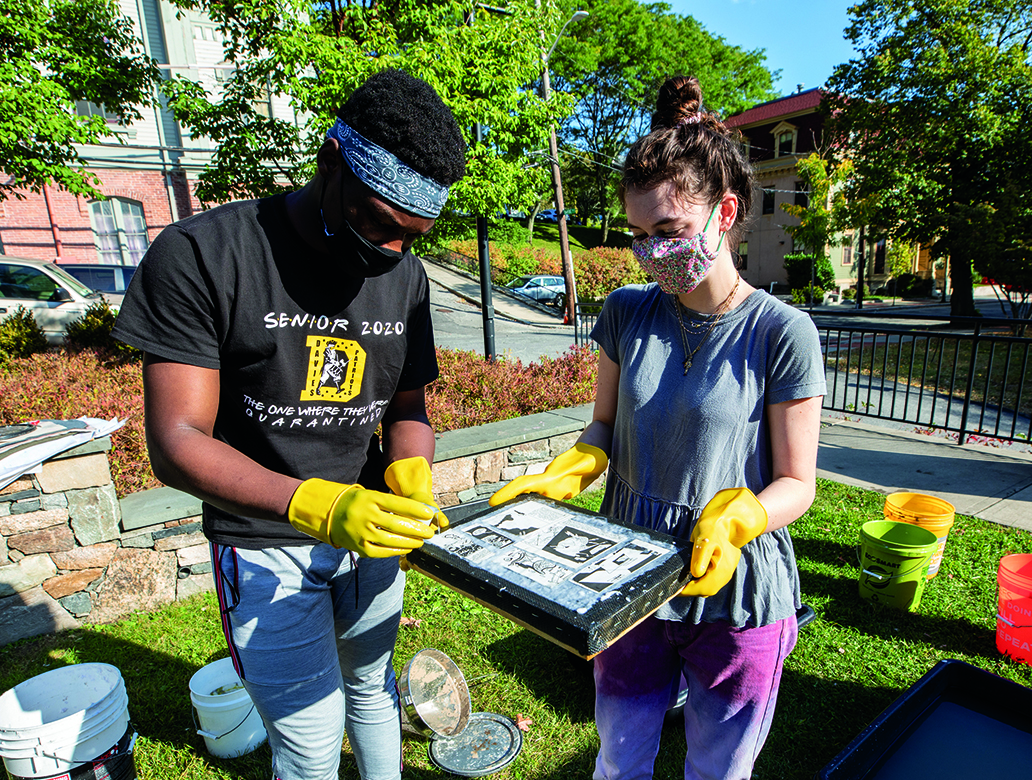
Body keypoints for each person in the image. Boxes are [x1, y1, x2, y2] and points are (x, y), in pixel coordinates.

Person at [112, 68, 467, 780]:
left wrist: (412, 470)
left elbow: (406, 409)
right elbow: (177, 443)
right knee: (308, 742)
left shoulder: (408, 277)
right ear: (329, 160)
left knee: (372, 692)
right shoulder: (203, 256)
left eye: (413, 237)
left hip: (372, 528)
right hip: (264, 539)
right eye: (378, 224)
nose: (392, 254)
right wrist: (313, 502)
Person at [491, 75, 826, 780]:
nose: (651, 253)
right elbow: (602, 430)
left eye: (668, 232)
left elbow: (798, 483)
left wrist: (743, 515)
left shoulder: (781, 332)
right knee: (619, 757)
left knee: (719, 770)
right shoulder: (625, 312)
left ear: (725, 211)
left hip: (736, 590)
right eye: (639, 236)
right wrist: (570, 469)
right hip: (627, 574)